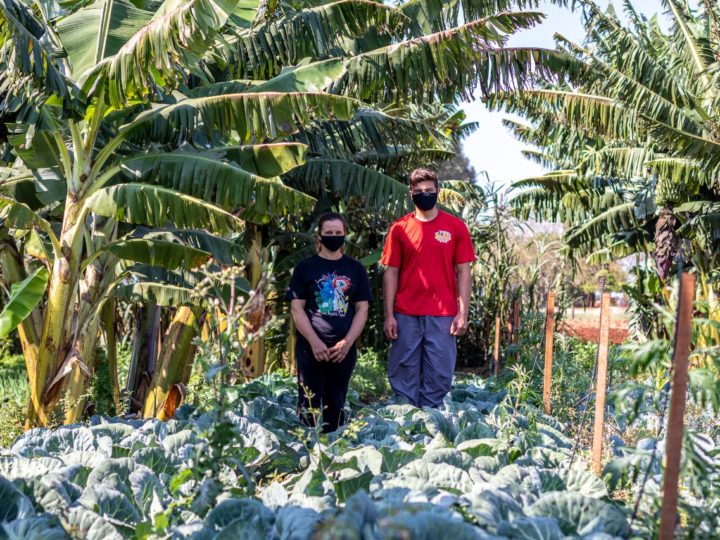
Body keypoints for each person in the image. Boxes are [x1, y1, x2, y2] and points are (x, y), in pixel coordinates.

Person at [381, 168, 476, 408]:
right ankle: (406, 421)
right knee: (403, 371)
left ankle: (432, 421)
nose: (425, 195)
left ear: (438, 191)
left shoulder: (455, 227)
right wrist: (389, 315)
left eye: (429, 191)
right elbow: (391, 272)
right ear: (411, 193)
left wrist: (462, 313)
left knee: (441, 372)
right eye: (419, 191)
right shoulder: (399, 229)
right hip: (406, 313)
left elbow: (464, 272)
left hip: (443, 315)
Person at [286, 212, 372, 432]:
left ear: (344, 234)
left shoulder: (356, 269)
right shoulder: (305, 268)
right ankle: (308, 454)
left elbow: (362, 309)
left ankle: (334, 455)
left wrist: (347, 342)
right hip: (310, 348)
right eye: (329, 233)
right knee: (308, 404)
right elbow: (297, 308)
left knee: (336, 403)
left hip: (343, 350)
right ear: (320, 236)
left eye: (338, 233)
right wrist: (315, 342)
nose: (334, 237)